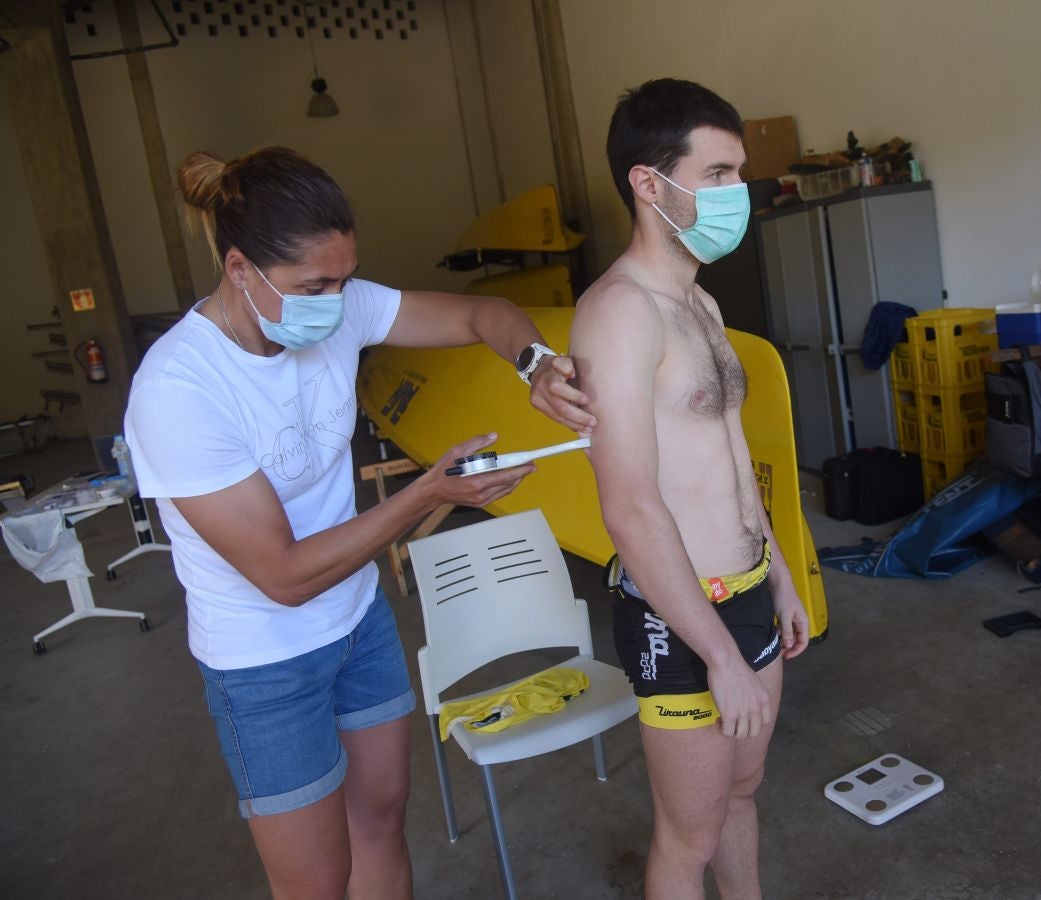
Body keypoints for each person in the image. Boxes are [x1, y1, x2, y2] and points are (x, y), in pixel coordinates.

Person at [124, 146, 594, 900]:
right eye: (315, 285)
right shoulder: (179, 389)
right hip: (264, 661)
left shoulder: (334, 310)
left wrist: (536, 363)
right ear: (240, 269)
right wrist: (429, 494)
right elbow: (281, 575)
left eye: (345, 279)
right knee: (316, 880)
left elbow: (481, 312)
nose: (337, 302)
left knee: (381, 820)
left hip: (357, 622)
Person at [569, 79, 811, 900]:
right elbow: (629, 505)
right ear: (648, 183)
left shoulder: (699, 302)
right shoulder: (618, 314)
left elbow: (733, 456)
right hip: (682, 616)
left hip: (745, 589)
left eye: (738, 172)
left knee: (742, 794)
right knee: (688, 833)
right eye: (717, 174)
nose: (736, 193)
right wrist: (717, 653)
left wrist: (778, 571)